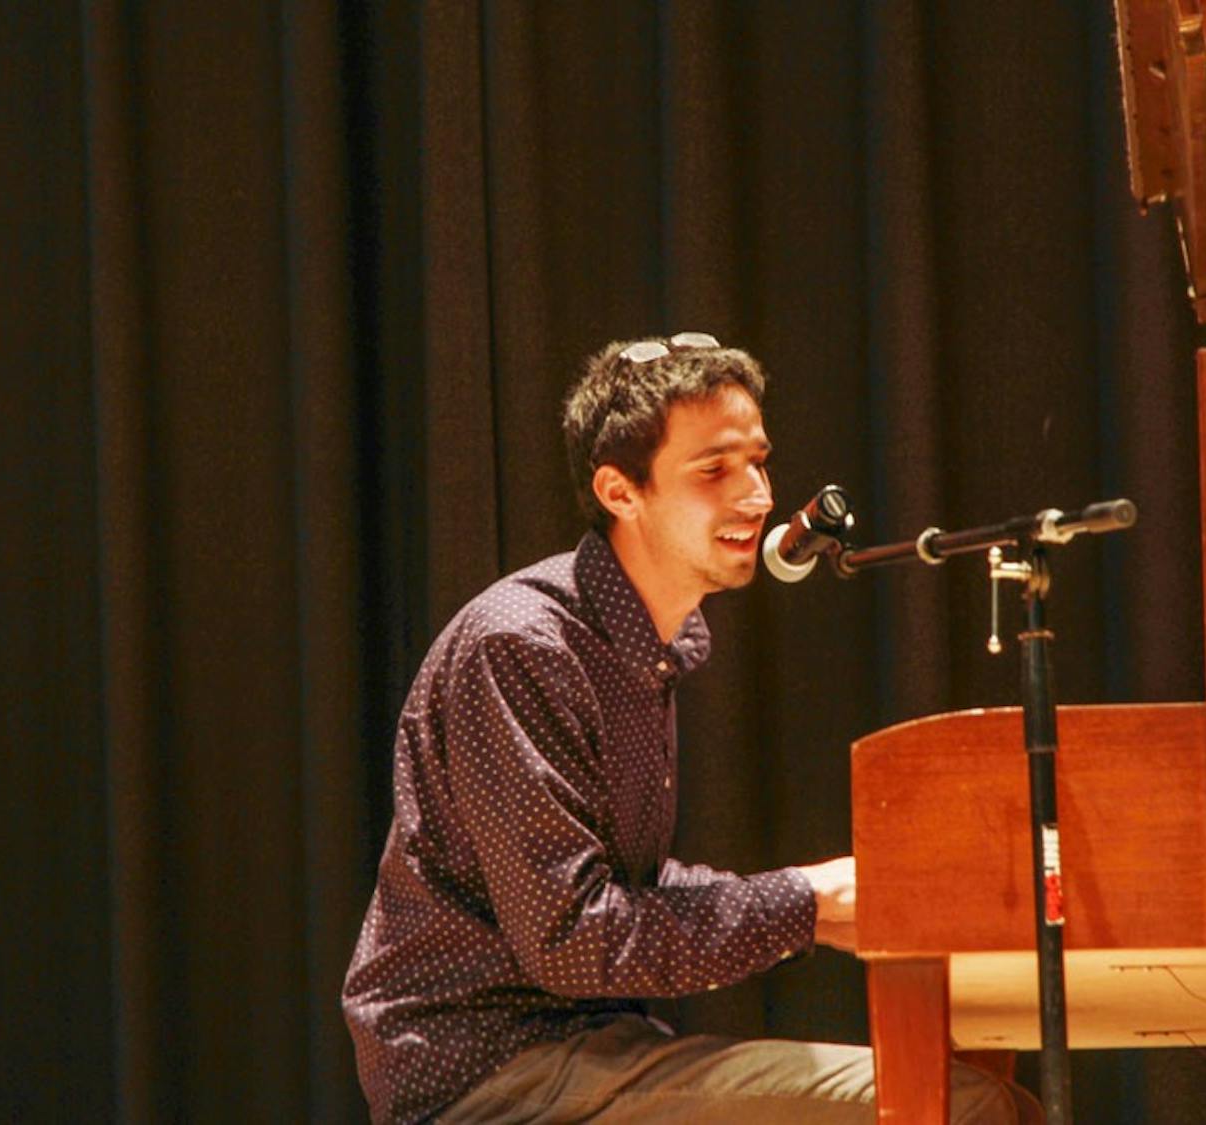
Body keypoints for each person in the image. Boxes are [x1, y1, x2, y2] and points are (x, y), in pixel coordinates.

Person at [342, 333, 1034, 1123]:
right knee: (966, 1106)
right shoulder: (523, 645)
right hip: (491, 1074)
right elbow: (574, 936)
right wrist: (802, 902)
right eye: (713, 470)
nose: (758, 495)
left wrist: (831, 900)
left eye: (758, 461)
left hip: (589, 1048)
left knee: (971, 1092)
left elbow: (623, 888)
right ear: (620, 491)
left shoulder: (650, 643)